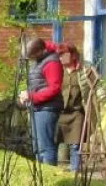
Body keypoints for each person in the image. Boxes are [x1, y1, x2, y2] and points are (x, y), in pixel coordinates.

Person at [18, 38, 63, 166]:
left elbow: (54, 88)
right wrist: (26, 95)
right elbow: (38, 84)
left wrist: (31, 96)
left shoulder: (52, 63)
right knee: (37, 147)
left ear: (39, 52)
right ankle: (42, 174)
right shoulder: (40, 61)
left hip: (47, 108)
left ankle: (49, 175)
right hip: (37, 106)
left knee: (45, 146)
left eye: (31, 56)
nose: (30, 59)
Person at [57, 43, 96, 172]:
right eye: (59, 54)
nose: (61, 57)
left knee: (75, 143)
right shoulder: (58, 70)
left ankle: (75, 170)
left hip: (77, 111)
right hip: (60, 112)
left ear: (73, 55)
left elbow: (97, 86)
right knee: (58, 141)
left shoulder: (84, 69)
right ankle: (58, 168)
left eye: (64, 54)